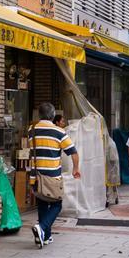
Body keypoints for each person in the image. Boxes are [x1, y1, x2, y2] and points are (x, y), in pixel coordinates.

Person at [29, 102, 80, 248]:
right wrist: (75, 168)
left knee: (43, 203)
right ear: (52, 115)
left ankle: (45, 237)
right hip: (52, 176)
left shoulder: (31, 129)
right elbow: (73, 152)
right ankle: (42, 227)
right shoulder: (59, 132)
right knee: (57, 204)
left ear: (40, 115)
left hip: (35, 175)